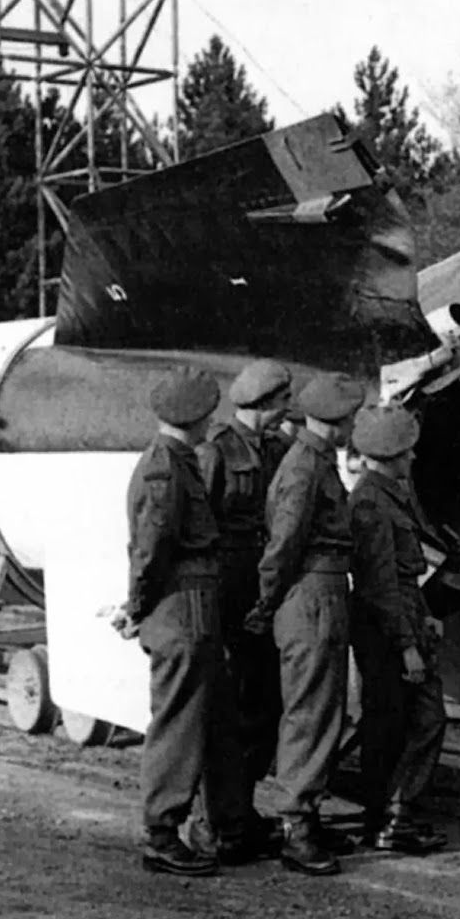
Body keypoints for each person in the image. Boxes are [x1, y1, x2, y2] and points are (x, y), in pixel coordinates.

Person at [108, 366, 228, 877]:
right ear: (196, 417)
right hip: (182, 607)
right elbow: (152, 549)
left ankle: (176, 826)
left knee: (190, 717)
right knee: (178, 720)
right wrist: (136, 607)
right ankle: (161, 831)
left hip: (190, 603)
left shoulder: (177, 461)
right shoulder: (166, 468)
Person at [247, 371, 366, 875]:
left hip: (323, 594)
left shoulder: (317, 460)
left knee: (325, 711)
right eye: (350, 419)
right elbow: (283, 545)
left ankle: (308, 817)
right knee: (310, 713)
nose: (353, 426)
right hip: (310, 598)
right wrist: (266, 602)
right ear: (336, 423)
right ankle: (296, 826)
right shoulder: (304, 467)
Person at [195, 358, 293, 858]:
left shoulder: (277, 448)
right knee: (229, 705)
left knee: (264, 703)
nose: (285, 415)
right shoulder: (216, 452)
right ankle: (217, 820)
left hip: (264, 586)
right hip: (228, 587)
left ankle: (241, 808)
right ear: (262, 405)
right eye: (280, 406)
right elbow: (198, 529)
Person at [348, 403, 449, 854]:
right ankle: (389, 817)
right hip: (387, 626)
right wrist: (406, 645)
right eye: (405, 453)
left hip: (405, 613)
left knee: (411, 718)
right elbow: (380, 584)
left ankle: (395, 813)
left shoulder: (388, 494)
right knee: (396, 722)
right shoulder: (371, 503)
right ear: (388, 455)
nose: (412, 459)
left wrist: (423, 615)